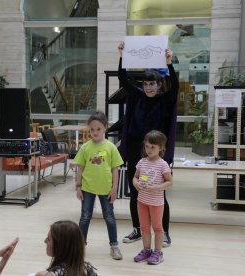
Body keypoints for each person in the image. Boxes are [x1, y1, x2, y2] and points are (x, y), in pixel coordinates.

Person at [117, 41, 178, 247]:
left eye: (152, 84)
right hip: (137, 151)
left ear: (159, 84)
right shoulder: (137, 96)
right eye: (145, 84)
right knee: (137, 191)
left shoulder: (164, 99)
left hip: (157, 155)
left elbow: (176, 86)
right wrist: (122, 56)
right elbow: (124, 80)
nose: (149, 87)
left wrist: (169, 64)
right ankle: (137, 228)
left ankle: (164, 232)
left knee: (158, 192)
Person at [73, 111, 124, 260]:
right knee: (85, 217)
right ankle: (80, 246)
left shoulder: (111, 148)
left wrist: (115, 188)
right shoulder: (85, 148)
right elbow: (80, 167)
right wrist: (78, 187)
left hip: (106, 189)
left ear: (105, 128)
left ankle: (114, 246)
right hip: (87, 188)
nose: (94, 132)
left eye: (98, 129)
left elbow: (116, 169)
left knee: (109, 217)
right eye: (92, 130)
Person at [132, 130, 173, 265]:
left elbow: (169, 182)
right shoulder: (142, 162)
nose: (149, 149)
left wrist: (156, 188)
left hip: (156, 202)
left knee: (157, 227)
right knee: (144, 227)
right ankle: (146, 250)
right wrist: (136, 183)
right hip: (142, 201)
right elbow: (135, 177)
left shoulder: (163, 164)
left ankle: (158, 252)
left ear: (161, 148)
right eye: (147, 146)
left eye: (153, 147)